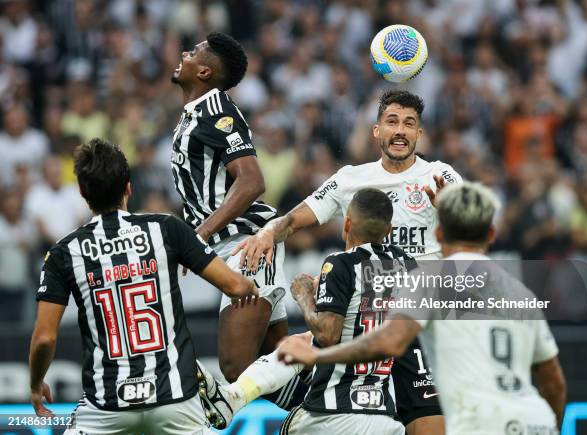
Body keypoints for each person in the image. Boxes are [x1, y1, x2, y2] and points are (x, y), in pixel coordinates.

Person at [235, 90, 461, 433]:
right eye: (392, 122)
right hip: (364, 321)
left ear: (420, 133)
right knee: (303, 350)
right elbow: (296, 219)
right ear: (376, 130)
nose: (400, 130)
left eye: (409, 124)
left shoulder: (440, 176)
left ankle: (239, 397)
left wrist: (453, 212)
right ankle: (237, 397)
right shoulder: (350, 179)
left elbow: (478, 225)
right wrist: (268, 233)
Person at [278, 182, 567, 435]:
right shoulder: (520, 295)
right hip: (533, 422)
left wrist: (319, 353)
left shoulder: (426, 282)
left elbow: (389, 341)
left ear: (438, 234)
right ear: (492, 234)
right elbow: (553, 381)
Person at [29, 139, 257, 434]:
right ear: (128, 187)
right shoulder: (167, 228)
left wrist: (36, 385)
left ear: (83, 192)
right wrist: (252, 282)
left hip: (107, 407)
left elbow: (45, 338)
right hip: (176, 401)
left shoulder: (63, 253)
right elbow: (236, 287)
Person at [199, 188, 412, 435]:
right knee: (303, 342)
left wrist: (304, 297)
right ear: (389, 230)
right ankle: (233, 397)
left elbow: (328, 335)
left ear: (348, 224)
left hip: (332, 416)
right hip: (383, 417)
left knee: (302, 344)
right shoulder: (408, 266)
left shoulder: (341, 262)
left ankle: (233, 397)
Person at [169, 32, 295, 409]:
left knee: (237, 366)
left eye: (192, 53)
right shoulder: (194, 113)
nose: (183, 54)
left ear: (205, 71)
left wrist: (198, 236)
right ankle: (330, 411)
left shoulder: (216, 109)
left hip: (247, 242)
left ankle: (341, 399)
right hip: (230, 246)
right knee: (278, 357)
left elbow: (252, 180)